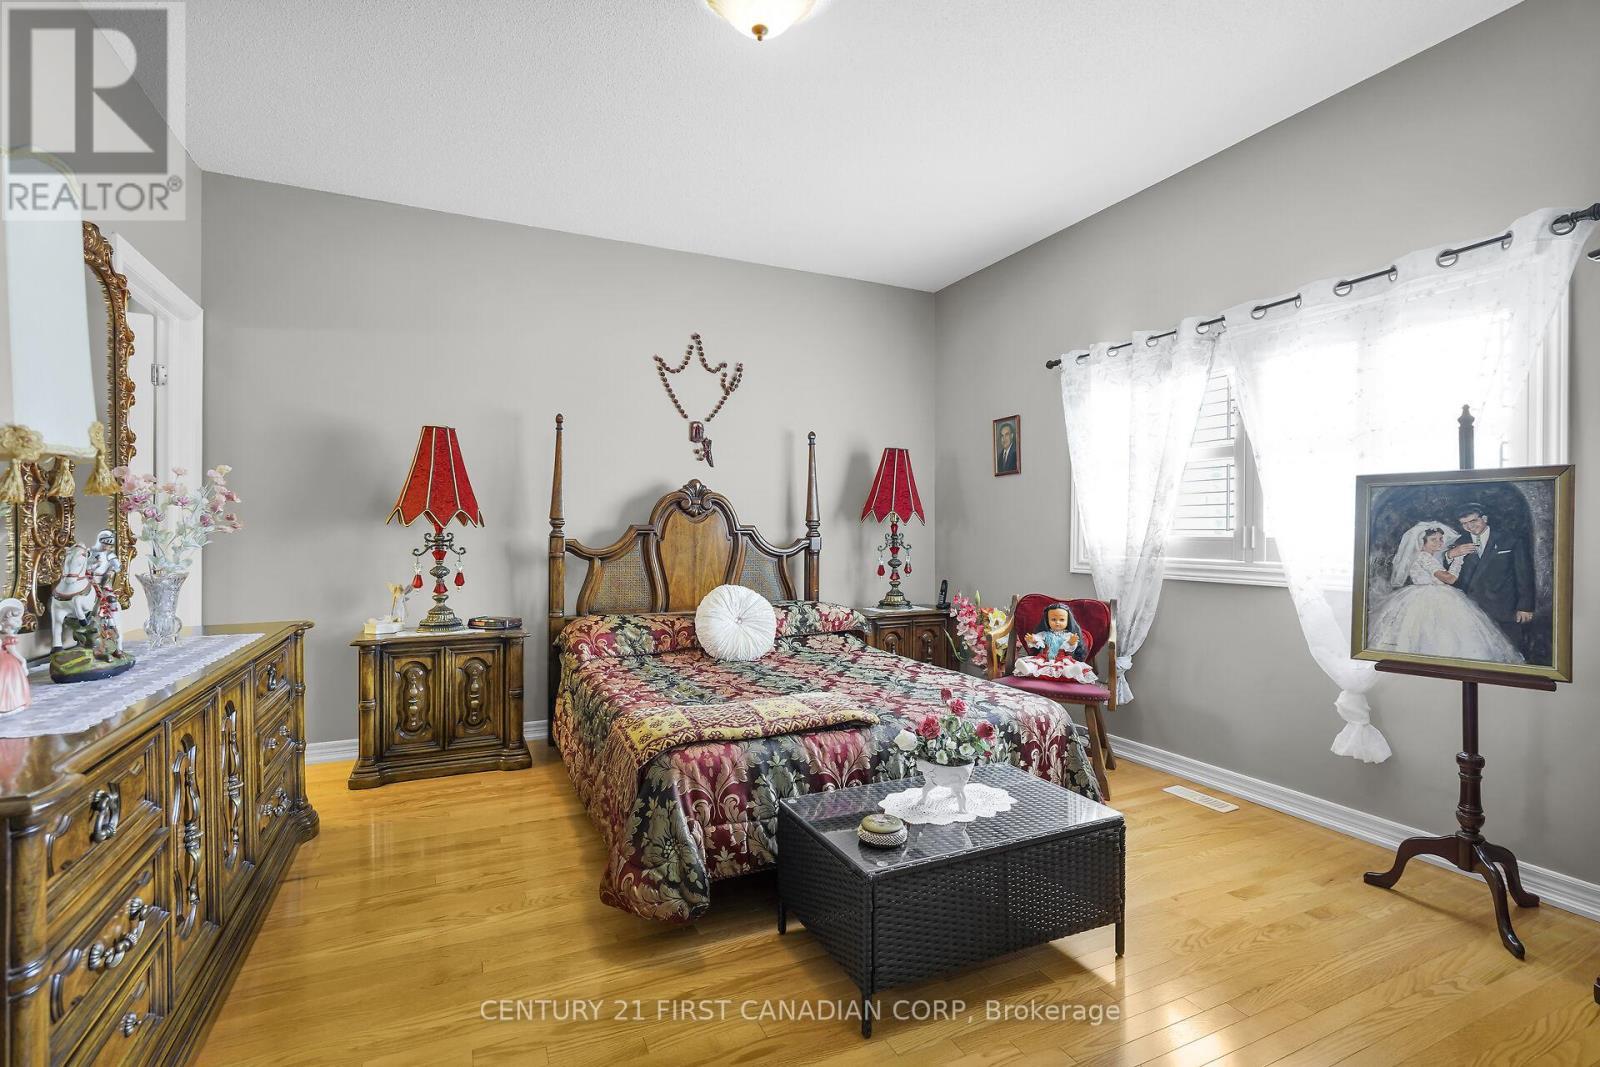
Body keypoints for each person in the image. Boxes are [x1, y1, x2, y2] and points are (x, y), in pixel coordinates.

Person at [1368, 521, 1522, 664]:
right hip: (1428, 598)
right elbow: (1449, 579)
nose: (1440, 542)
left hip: (1435, 594)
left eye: (1441, 539)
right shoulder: (1423, 557)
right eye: (1434, 540)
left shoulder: (1430, 556)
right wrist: (1458, 559)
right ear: (1422, 542)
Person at [1445, 502, 1535, 656]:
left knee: (1509, 652)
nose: (1470, 527)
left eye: (1473, 521)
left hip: (1504, 607)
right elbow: (1439, 570)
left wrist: (1525, 606)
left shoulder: (1510, 539)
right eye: (1464, 524)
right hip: (1470, 608)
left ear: (1484, 518)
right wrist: (1450, 555)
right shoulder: (1457, 542)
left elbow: (1524, 573)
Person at [1014, 602, 1098, 682]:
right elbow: (1038, 640)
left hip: (1061, 658)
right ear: (1047, 620)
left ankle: (1069, 672)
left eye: (1062, 620)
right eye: (1053, 619)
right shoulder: (1044, 634)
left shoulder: (1068, 635)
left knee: (1065, 666)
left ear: (1068, 621)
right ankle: (1027, 669)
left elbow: (1069, 648)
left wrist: (1071, 642)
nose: (1057, 623)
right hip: (1044, 658)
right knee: (1035, 664)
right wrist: (1033, 640)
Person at [0, 598, 30, 713]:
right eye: (16, 619)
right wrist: (23, 661)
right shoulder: (9, 638)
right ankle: (8, 704)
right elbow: (13, 651)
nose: (19, 622)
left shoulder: (8, 636)